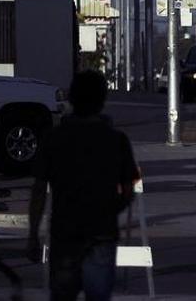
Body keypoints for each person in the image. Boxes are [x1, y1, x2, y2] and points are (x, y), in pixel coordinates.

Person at [27, 70, 140, 301]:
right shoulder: (116, 140)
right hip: (102, 233)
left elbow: (39, 189)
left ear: (73, 99)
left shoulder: (54, 139)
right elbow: (129, 189)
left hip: (65, 234)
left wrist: (33, 235)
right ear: (102, 101)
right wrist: (109, 208)